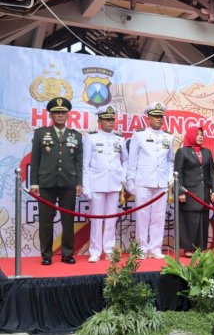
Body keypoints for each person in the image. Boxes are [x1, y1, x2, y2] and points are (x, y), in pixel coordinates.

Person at [30, 97, 83, 265]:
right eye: (56, 113)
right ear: (51, 115)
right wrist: (34, 183)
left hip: (68, 183)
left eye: (63, 113)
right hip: (46, 183)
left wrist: (79, 183)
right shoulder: (40, 134)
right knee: (46, 221)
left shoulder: (76, 135)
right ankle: (46, 255)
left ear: (68, 115)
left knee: (68, 221)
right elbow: (35, 159)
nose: (60, 115)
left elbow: (78, 162)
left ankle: (67, 253)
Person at [125, 102, 174, 259]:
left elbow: (170, 160)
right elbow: (132, 161)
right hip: (143, 181)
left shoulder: (168, 136)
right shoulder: (139, 135)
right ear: (149, 118)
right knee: (142, 216)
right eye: (156, 116)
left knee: (159, 217)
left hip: (161, 183)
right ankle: (141, 248)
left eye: (161, 116)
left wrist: (169, 178)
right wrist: (130, 182)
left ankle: (155, 248)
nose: (159, 119)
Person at [82, 105, 127, 263]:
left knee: (111, 219)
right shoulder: (91, 138)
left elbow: (125, 161)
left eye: (112, 119)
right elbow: (85, 164)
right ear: (99, 120)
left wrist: (122, 177)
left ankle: (108, 249)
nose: (110, 122)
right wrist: (86, 186)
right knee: (97, 219)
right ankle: (94, 250)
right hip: (96, 184)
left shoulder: (120, 139)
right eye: (107, 119)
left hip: (114, 184)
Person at [174, 126, 214, 257]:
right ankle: (188, 248)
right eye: (197, 134)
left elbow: (212, 173)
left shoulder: (207, 152)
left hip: (203, 193)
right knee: (190, 221)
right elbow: (178, 173)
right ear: (191, 135)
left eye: (201, 134)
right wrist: (180, 192)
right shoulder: (182, 152)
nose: (200, 136)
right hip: (189, 193)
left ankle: (200, 248)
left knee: (203, 221)